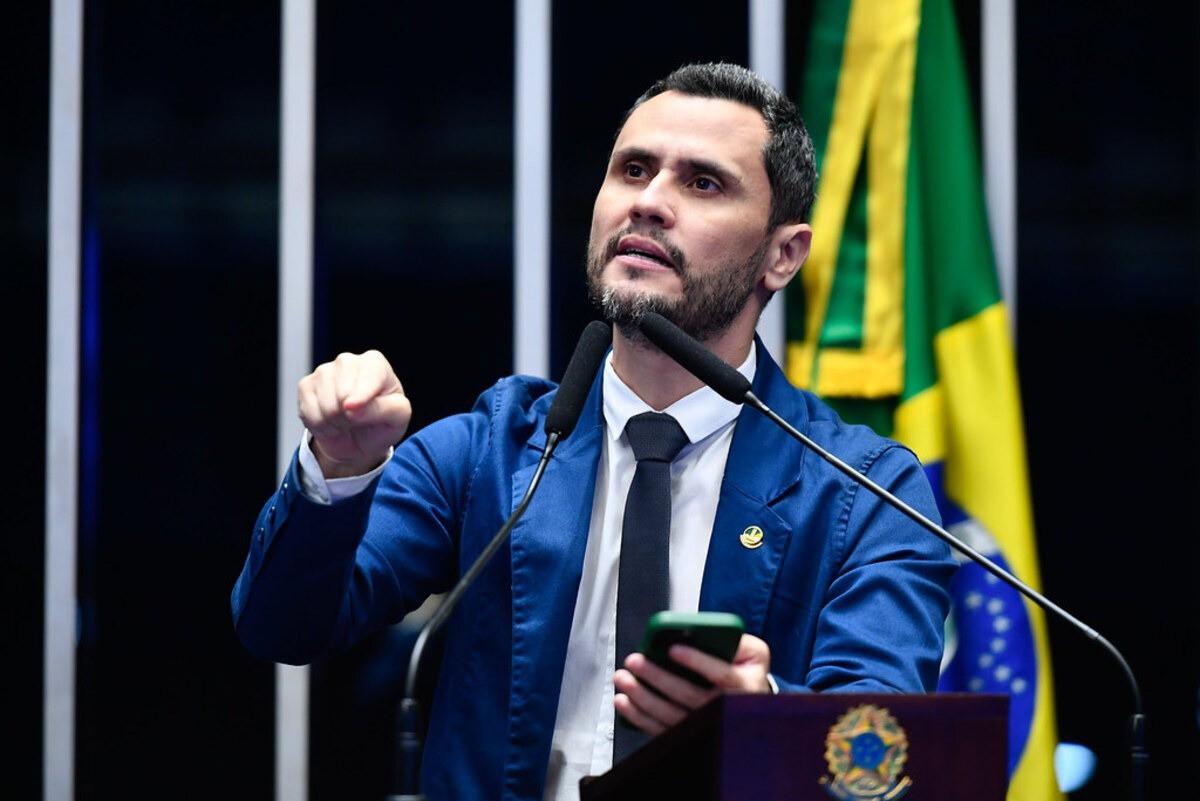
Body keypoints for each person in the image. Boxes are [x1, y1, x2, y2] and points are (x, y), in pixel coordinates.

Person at [232, 63, 955, 801]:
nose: (649, 202)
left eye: (702, 183)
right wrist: (340, 468)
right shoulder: (495, 447)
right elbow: (283, 626)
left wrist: (763, 718)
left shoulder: (867, 491)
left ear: (783, 253)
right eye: (634, 169)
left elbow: (887, 755)